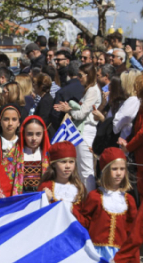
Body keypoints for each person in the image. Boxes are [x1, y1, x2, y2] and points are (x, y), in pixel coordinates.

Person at [31, 141, 86, 263]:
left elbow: (84, 216)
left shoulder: (79, 188)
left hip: (72, 241)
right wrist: (45, 199)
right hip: (52, 241)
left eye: (71, 161)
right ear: (54, 165)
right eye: (63, 162)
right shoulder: (47, 186)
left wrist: (71, 211)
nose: (67, 166)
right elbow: (39, 214)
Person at [53, 63, 101, 191]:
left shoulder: (92, 90)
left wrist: (68, 110)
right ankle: (84, 196)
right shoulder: (89, 89)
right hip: (82, 129)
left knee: (86, 169)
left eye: (80, 75)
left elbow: (81, 114)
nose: (78, 78)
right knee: (80, 169)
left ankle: (89, 197)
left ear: (88, 75)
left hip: (87, 130)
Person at [0, 115, 51, 198]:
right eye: (30, 134)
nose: (34, 138)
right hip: (23, 199)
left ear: (44, 134)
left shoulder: (49, 156)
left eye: (38, 134)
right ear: (23, 134)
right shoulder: (14, 154)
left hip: (44, 199)